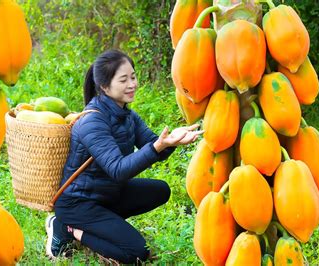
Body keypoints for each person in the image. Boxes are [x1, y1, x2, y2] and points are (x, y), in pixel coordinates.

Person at [45, 49, 203, 263]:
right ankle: (68, 228)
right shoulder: (92, 122)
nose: (132, 84)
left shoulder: (127, 116)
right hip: (79, 203)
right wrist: (156, 147)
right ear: (104, 86)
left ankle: (104, 225)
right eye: (124, 80)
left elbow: (154, 145)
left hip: (106, 193)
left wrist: (172, 140)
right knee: (137, 252)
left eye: (133, 76)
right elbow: (119, 170)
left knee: (160, 190)